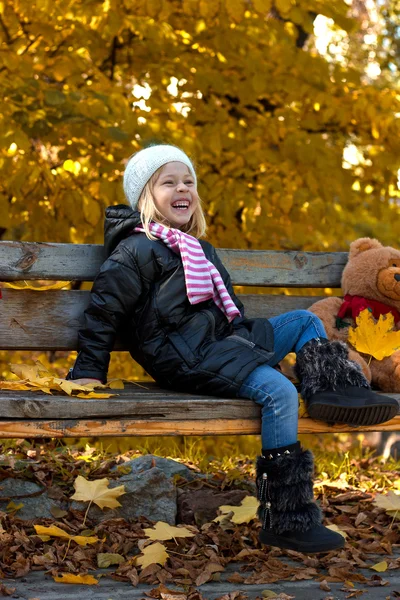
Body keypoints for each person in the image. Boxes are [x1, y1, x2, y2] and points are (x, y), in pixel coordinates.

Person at [67, 144, 398, 554]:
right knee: (279, 393)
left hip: (221, 344)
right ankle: (287, 518)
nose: (182, 188)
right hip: (184, 358)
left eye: (188, 181)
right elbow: (104, 311)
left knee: (306, 321)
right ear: (144, 197)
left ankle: (335, 391)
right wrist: (88, 370)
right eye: (168, 182)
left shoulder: (199, 250)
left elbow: (231, 311)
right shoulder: (136, 250)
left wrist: (252, 342)